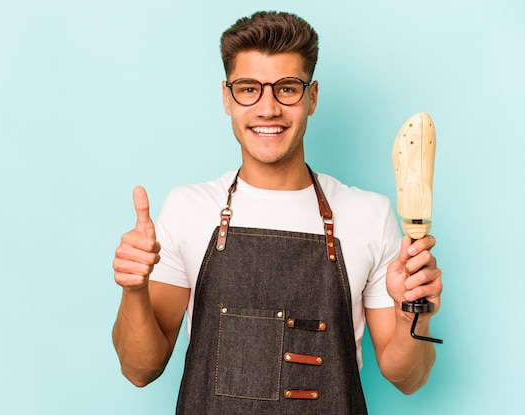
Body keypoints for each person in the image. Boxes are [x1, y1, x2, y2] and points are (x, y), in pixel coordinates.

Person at [112, 10, 442, 414]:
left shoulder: (368, 214)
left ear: (312, 96)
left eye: (287, 88)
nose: (268, 109)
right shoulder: (188, 208)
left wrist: (416, 310)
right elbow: (139, 369)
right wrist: (133, 290)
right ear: (227, 97)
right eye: (248, 88)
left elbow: (407, 378)